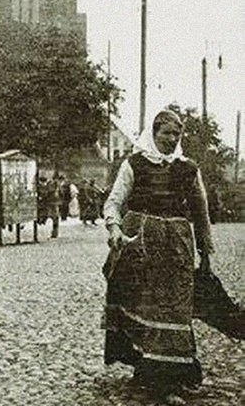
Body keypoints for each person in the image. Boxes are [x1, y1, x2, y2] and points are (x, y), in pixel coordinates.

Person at [102, 110, 214, 406]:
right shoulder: (134, 163)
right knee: (145, 305)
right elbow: (114, 202)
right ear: (153, 133)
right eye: (165, 133)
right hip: (141, 246)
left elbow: (201, 213)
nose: (170, 139)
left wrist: (206, 249)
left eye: (175, 134)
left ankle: (172, 378)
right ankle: (151, 371)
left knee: (175, 309)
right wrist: (114, 228)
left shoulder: (188, 169)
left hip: (177, 248)